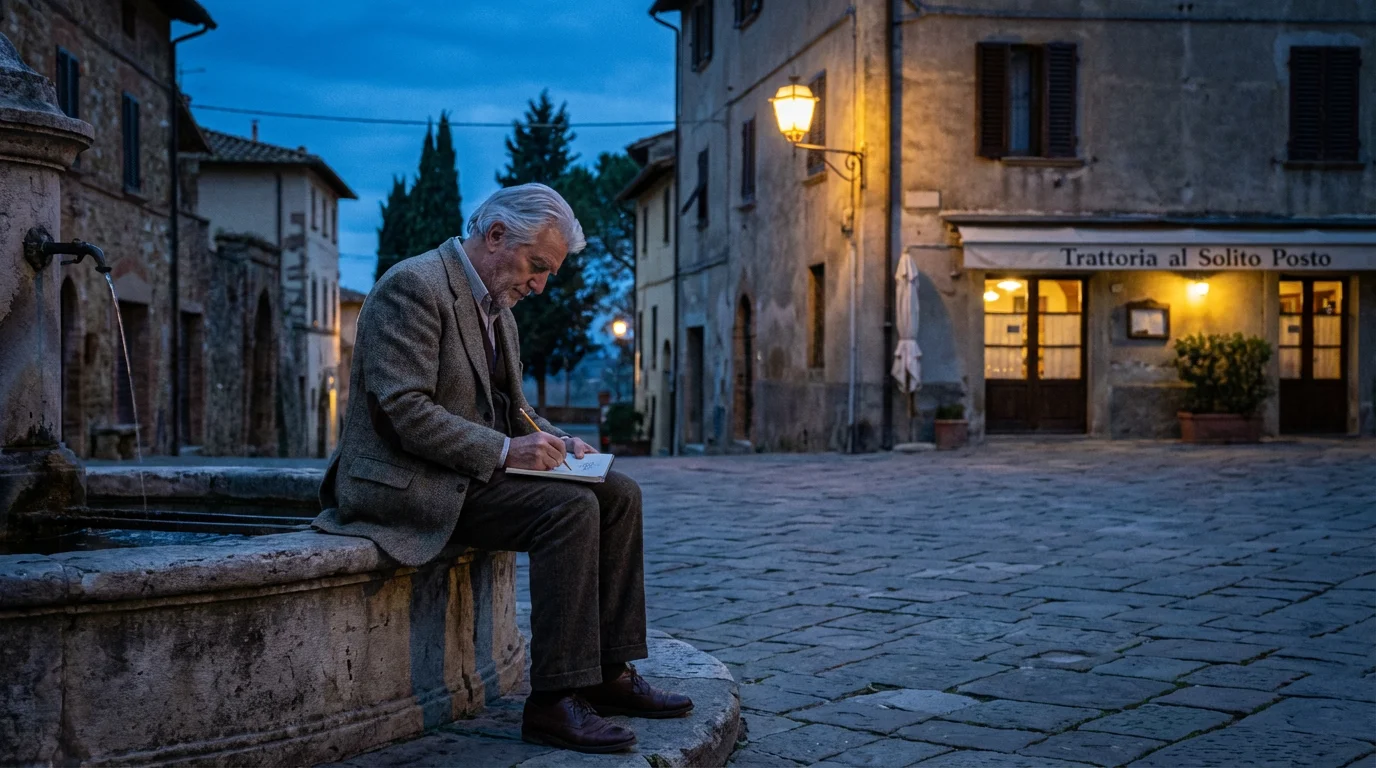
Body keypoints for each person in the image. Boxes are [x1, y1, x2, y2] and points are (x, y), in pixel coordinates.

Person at [314, 183, 691, 754]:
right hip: (404, 481)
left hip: (462, 473)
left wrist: (555, 440)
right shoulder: (412, 287)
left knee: (618, 492)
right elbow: (401, 412)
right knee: (567, 509)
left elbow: (511, 409)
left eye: (548, 273)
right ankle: (553, 703)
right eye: (537, 266)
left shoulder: (497, 307)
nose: (539, 285)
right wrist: (504, 452)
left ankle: (606, 675)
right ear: (495, 237)